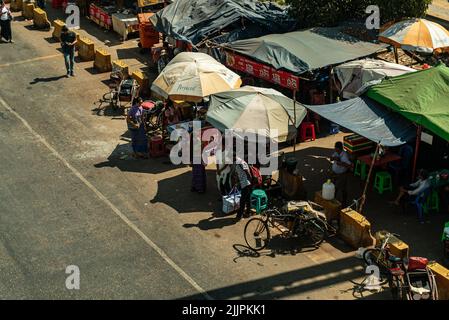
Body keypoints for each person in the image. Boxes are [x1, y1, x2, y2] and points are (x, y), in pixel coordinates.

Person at [330, 141, 352, 207]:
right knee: (334, 187)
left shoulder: (344, 156)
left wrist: (342, 163)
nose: (335, 149)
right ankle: (333, 199)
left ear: (340, 149)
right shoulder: (336, 153)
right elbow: (331, 159)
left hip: (342, 174)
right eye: (335, 148)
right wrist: (334, 158)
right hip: (334, 173)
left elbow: (350, 166)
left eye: (336, 148)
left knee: (341, 188)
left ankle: (343, 203)